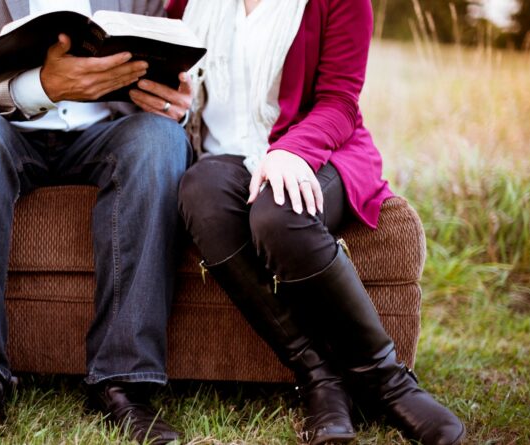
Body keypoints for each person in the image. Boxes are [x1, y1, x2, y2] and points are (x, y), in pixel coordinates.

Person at [0, 0, 194, 442]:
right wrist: (40, 86)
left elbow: (171, 59)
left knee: (161, 141)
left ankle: (125, 382)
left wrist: (175, 101)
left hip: (110, 132)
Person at [165, 0, 466, 444]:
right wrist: (169, 102)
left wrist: (291, 150)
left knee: (279, 213)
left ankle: (386, 380)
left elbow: (339, 101)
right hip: (223, 159)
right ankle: (320, 378)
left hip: (318, 151)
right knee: (199, 194)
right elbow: (174, 84)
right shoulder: (186, 4)